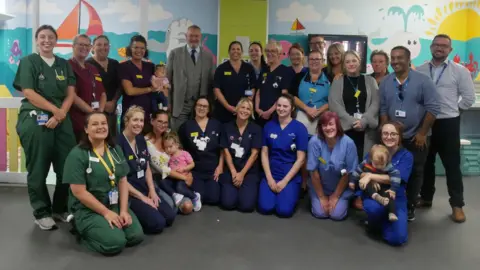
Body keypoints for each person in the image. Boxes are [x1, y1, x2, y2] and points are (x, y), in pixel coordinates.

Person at [13, 25, 77, 230]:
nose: (46, 40)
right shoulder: (28, 62)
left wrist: (61, 115)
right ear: (37, 40)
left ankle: (60, 207)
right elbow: (29, 93)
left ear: (56, 40)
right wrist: (54, 111)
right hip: (35, 118)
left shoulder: (63, 64)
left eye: (51, 37)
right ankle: (41, 212)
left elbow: (71, 93)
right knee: (38, 166)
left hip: (62, 120)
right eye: (42, 37)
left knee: (67, 165)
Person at [63, 112, 144, 255]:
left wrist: (123, 210)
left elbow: (122, 180)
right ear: (86, 129)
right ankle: (79, 226)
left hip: (113, 204)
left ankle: (107, 227)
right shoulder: (77, 155)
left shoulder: (115, 150)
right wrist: (106, 213)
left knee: (135, 236)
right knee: (115, 243)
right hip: (88, 209)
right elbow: (78, 192)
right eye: (95, 124)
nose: (100, 127)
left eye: (103, 123)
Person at [416, 34, 475, 223]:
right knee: (426, 163)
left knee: (452, 165)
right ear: (431, 47)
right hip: (425, 122)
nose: (439, 48)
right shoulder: (421, 70)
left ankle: (457, 205)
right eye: (436, 45)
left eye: (444, 46)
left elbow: (468, 98)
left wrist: (454, 109)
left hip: (448, 122)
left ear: (450, 50)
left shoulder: (460, 71)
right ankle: (426, 198)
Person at [379, 46, 440, 221]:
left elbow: (433, 108)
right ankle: (389, 203)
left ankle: (410, 205)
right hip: (392, 139)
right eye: (393, 58)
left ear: (408, 59)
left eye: (400, 58)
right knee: (389, 171)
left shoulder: (423, 81)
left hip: (416, 137)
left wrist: (422, 133)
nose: (395, 61)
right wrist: (385, 130)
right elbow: (383, 108)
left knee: (415, 172)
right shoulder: (386, 82)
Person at [118, 106, 176, 233]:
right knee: (158, 224)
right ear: (126, 121)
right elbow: (120, 180)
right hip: (130, 192)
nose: (139, 124)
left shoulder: (140, 139)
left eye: (141, 121)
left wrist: (152, 190)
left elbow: (147, 167)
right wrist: (143, 198)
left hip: (144, 187)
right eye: (135, 120)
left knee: (170, 217)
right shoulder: (118, 143)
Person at [362, 121, 413, 246]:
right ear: (381, 136)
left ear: (399, 137)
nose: (388, 137)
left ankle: (385, 223)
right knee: (374, 209)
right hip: (375, 193)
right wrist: (367, 176)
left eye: (393, 134)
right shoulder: (374, 152)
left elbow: (398, 178)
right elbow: (362, 172)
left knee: (398, 238)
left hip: (395, 196)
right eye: (385, 133)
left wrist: (371, 176)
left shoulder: (406, 156)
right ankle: (376, 222)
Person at [258, 94, 308, 217]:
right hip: (272, 171)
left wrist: (285, 181)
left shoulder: (300, 128)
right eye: (279, 105)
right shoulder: (269, 126)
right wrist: (269, 179)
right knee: (265, 207)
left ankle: (289, 194)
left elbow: (301, 159)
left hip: (289, 174)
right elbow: (264, 153)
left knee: (284, 211)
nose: (281, 108)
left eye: (285, 106)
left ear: (292, 108)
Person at [289, 49, 330, 194]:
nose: (314, 62)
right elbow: (292, 96)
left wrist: (318, 111)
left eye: (318, 59)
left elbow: (332, 99)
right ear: (307, 61)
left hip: (322, 117)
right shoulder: (300, 76)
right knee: (302, 150)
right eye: (312, 59)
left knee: (319, 150)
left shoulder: (329, 78)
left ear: (322, 61)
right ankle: (303, 182)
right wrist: (307, 109)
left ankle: (318, 181)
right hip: (302, 115)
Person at [329, 50, 379, 162]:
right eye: (347, 62)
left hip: (367, 130)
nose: (351, 64)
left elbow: (376, 103)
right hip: (346, 129)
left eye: (354, 60)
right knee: (346, 164)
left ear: (359, 62)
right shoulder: (337, 81)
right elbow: (334, 105)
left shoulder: (370, 80)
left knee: (366, 163)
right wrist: (352, 121)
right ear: (344, 65)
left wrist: (364, 121)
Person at [306, 111, 358, 220]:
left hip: (341, 187)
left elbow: (348, 173)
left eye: (331, 124)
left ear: (337, 125)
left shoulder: (348, 143)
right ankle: (316, 198)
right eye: (324, 125)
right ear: (320, 127)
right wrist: (321, 197)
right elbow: (313, 172)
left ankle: (344, 200)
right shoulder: (314, 142)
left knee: (336, 215)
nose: (328, 128)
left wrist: (335, 196)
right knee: (321, 213)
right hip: (320, 186)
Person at [167, 25, 215, 131]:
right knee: (177, 137)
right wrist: (168, 102)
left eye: (196, 36)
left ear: (200, 36)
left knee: (197, 138)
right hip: (180, 106)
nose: (194, 39)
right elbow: (167, 81)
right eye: (191, 36)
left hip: (200, 106)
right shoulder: (175, 54)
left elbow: (211, 82)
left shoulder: (208, 56)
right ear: (186, 36)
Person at [145, 111, 194, 214]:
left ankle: (183, 198)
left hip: (176, 178)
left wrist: (189, 173)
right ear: (152, 121)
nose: (163, 125)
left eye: (165, 122)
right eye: (159, 121)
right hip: (159, 179)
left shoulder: (169, 136)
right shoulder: (146, 142)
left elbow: (182, 157)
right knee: (171, 206)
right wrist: (186, 178)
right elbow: (162, 170)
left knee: (188, 207)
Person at [220, 98, 262, 212]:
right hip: (231, 169)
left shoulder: (256, 129)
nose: (245, 111)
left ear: (251, 112)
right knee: (227, 204)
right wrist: (234, 172)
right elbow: (226, 151)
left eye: (248, 109)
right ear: (237, 109)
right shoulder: (226, 127)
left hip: (248, 172)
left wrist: (242, 174)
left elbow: (254, 154)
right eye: (242, 107)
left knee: (246, 206)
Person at [178, 96, 223, 205]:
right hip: (195, 171)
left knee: (213, 198)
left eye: (205, 106)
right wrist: (187, 171)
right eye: (199, 105)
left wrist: (220, 166)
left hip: (213, 171)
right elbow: (181, 150)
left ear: (209, 109)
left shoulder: (217, 125)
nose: (201, 108)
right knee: (200, 196)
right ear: (195, 107)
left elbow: (222, 149)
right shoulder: (186, 126)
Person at [119, 35, 162, 132]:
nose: (139, 51)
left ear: (146, 50)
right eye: (136, 47)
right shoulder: (123, 67)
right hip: (131, 114)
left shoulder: (150, 66)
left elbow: (159, 85)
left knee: (146, 145)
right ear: (130, 48)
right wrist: (150, 89)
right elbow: (129, 91)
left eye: (142, 48)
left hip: (148, 114)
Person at [69, 34, 106, 142]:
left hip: (95, 118)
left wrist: (100, 112)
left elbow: (102, 93)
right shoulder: (68, 66)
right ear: (73, 46)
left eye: (87, 45)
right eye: (81, 44)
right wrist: (91, 111)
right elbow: (72, 95)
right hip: (78, 120)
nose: (84, 48)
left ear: (90, 48)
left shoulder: (92, 68)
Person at [351, 144, 401, 222]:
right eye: (376, 164)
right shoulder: (366, 163)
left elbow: (396, 176)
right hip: (371, 187)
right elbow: (357, 171)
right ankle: (376, 197)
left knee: (389, 194)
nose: (379, 167)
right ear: (371, 159)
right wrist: (352, 181)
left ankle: (392, 212)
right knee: (366, 184)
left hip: (383, 187)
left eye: (382, 164)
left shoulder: (388, 166)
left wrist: (393, 189)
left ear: (387, 160)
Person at [213, 41, 256, 123]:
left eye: (238, 49)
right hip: (224, 110)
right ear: (229, 52)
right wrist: (227, 106)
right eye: (233, 49)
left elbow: (252, 87)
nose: (235, 51)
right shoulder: (221, 68)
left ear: (242, 52)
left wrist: (246, 103)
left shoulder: (248, 68)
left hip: (243, 111)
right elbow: (217, 89)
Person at [87, 35, 121, 137]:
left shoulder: (115, 63)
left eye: (106, 45)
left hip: (112, 109)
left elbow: (120, 85)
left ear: (109, 47)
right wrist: (102, 104)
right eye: (99, 45)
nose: (103, 47)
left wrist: (114, 102)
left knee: (113, 139)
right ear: (93, 47)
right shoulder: (87, 64)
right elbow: (87, 89)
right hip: (95, 110)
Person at [255, 41, 294, 127]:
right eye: (267, 51)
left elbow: (284, 95)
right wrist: (257, 109)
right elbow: (258, 92)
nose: (269, 54)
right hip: (260, 115)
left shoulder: (286, 71)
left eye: (273, 51)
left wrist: (269, 112)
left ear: (279, 53)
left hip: (276, 115)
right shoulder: (264, 70)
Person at [160, 131, 202, 211]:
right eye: (166, 147)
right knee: (162, 182)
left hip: (183, 178)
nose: (168, 149)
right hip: (173, 178)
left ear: (177, 145)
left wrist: (184, 168)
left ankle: (195, 196)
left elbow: (192, 164)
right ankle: (175, 195)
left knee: (180, 187)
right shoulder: (168, 156)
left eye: (170, 146)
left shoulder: (184, 154)